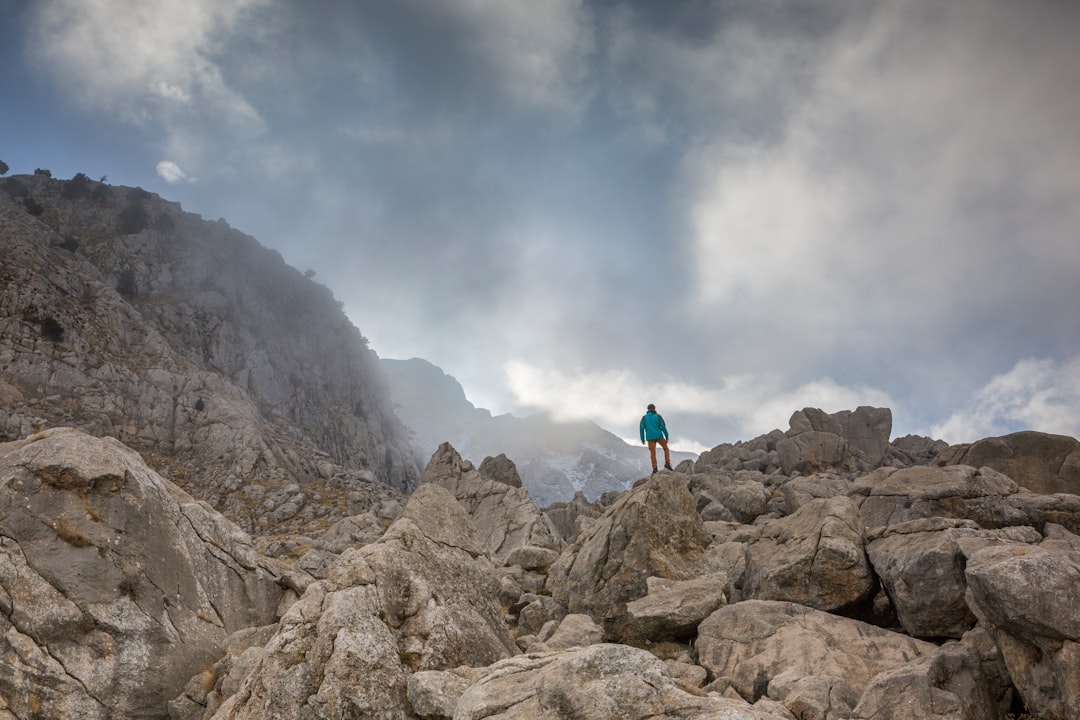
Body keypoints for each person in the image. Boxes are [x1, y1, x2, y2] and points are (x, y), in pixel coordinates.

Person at [639, 403, 672, 474]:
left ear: (647, 409)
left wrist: (642, 439)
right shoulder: (658, 416)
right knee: (666, 448)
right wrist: (666, 436)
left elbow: (641, 429)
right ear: (654, 409)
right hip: (659, 436)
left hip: (650, 438)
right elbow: (663, 426)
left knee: (653, 453)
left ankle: (655, 468)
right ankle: (667, 463)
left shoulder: (644, 418)